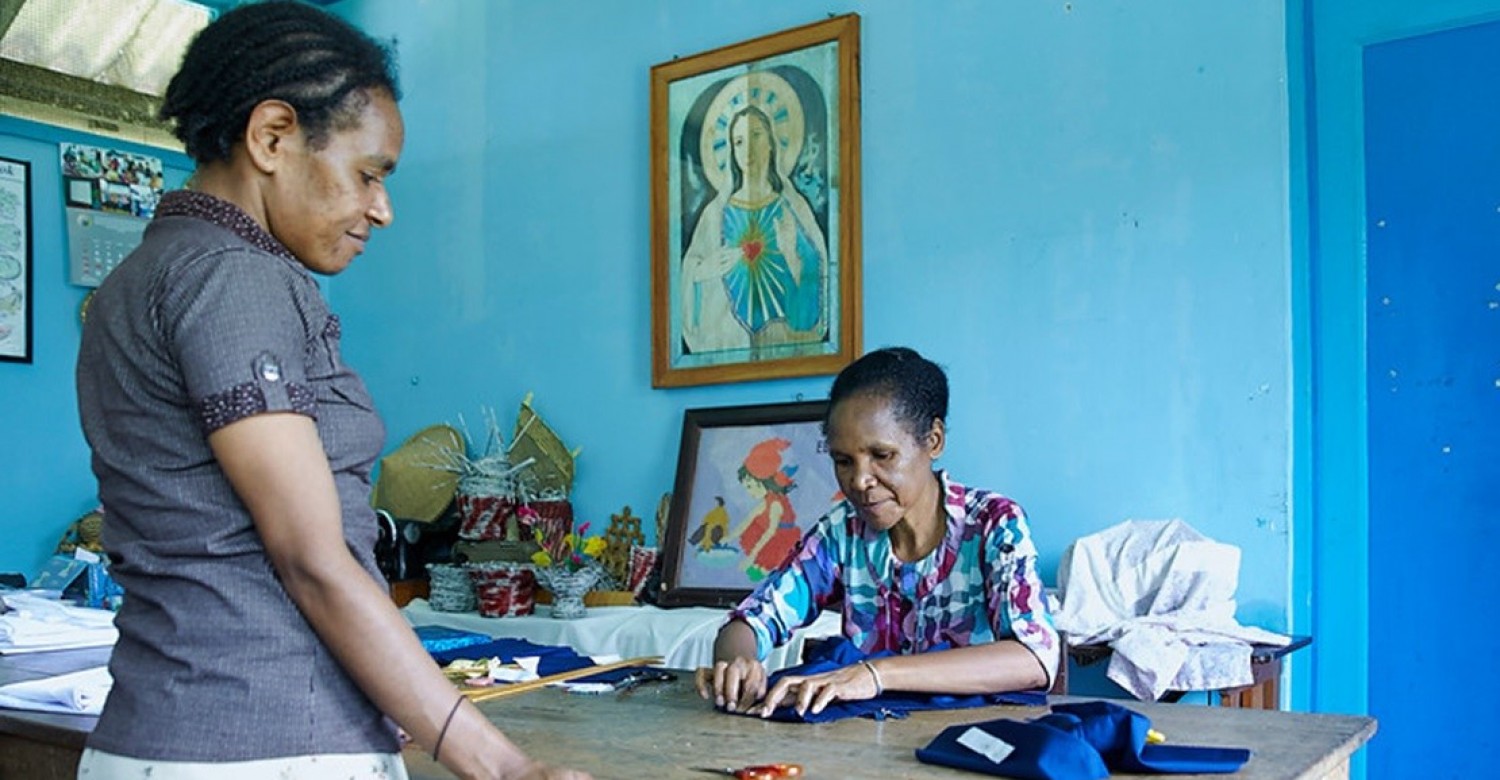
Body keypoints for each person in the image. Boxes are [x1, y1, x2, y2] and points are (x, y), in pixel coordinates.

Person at [73, 4, 586, 779]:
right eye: (368, 174)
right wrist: (502, 765)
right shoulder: (233, 279)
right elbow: (312, 558)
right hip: (268, 744)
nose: (381, 209)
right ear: (272, 136)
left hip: (163, 734)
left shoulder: (138, 278)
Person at [694, 347, 1059, 718]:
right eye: (843, 461)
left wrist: (874, 674)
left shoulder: (993, 525)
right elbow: (749, 621)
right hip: (870, 747)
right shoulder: (843, 533)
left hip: (972, 742)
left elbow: (1034, 658)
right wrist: (738, 664)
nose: (860, 481)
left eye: (882, 455)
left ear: (933, 440)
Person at [680, 104, 827, 354]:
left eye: (756, 136)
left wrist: (792, 253)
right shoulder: (715, 214)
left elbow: (817, 270)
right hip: (729, 339)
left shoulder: (792, 207)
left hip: (784, 336)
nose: (747, 149)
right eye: (738, 141)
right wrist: (704, 270)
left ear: (771, 142)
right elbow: (690, 272)